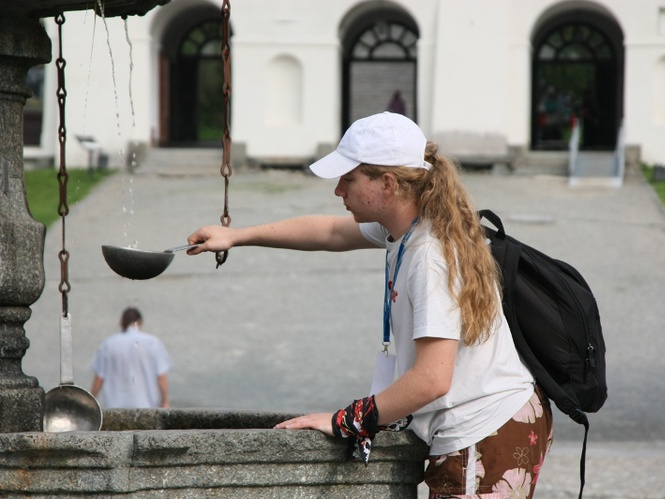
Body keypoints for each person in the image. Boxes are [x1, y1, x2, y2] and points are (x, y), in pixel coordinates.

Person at [186, 112, 553, 498]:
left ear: (388, 184)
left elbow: (432, 379)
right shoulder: (408, 225)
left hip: (483, 430)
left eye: (348, 179)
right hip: (491, 423)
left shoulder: (431, 255)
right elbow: (328, 232)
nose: (338, 191)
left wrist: (345, 420)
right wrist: (236, 236)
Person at [90, 307, 172, 409]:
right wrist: (165, 400)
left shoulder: (108, 344)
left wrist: (90, 401)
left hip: (115, 406)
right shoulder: (152, 343)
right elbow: (161, 375)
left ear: (121, 323)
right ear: (140, 322)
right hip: (146, 405)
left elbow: (99, 377)